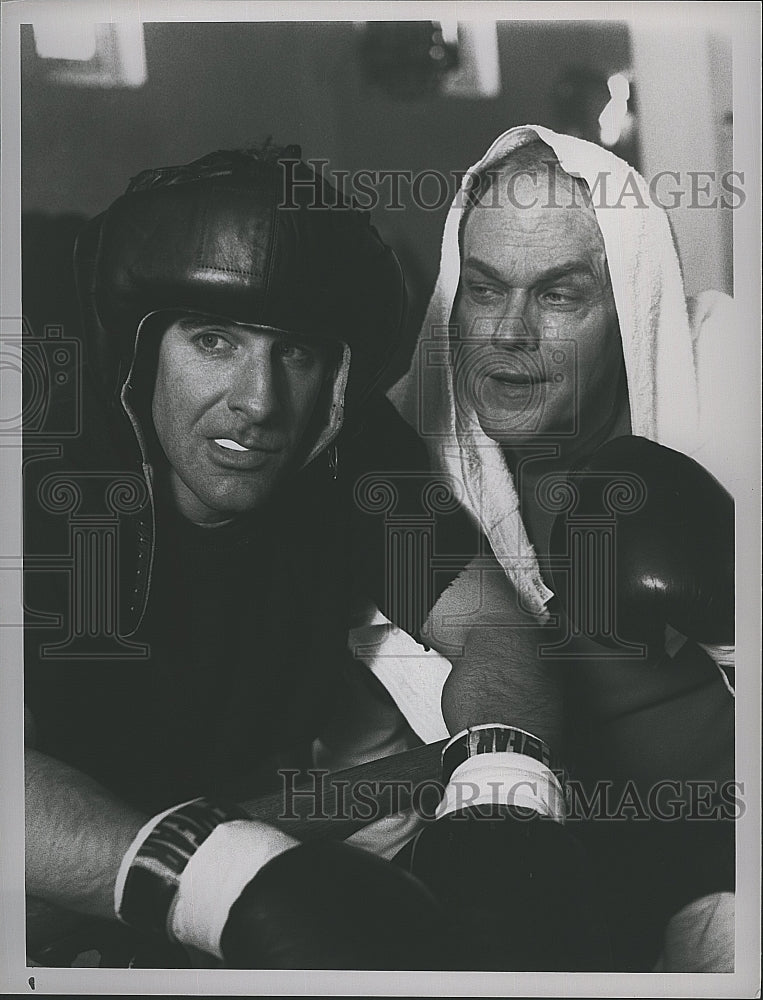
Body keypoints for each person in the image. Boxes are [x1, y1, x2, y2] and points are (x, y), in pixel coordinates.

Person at [23, 143, 491, 969]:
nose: (258, 400)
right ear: (139, 352)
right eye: (213, 342)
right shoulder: (45, 465)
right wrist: (221, 877)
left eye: (296, 353)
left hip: (225, 871)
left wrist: (507, 782)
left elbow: (495, 629)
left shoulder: (350, 451)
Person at [388, 125, 739, 971]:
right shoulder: (395, 459)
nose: (508, 333)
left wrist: (735, 619)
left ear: (632, 304)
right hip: (537, 896)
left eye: (557, 295)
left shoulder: (731, 389)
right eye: (483, 289)